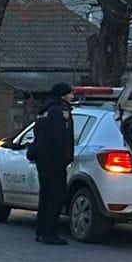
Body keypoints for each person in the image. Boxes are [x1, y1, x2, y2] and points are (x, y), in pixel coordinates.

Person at [29, 82, 76, 245]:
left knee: (45, 195)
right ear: (63, 95)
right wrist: (67, 157)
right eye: (70, 94)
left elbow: (37, 135)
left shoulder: (44, 111)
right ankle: (49, 232)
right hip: (55, 159)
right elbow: (61, 137)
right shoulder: (61, 111)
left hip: (42, 159)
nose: (72, 97)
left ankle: (41, 229)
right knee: (57, 196)